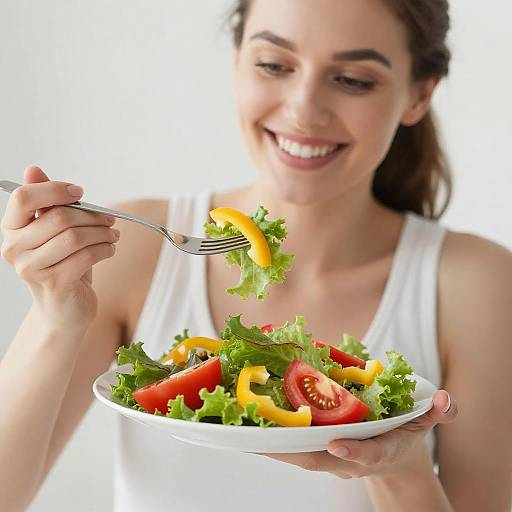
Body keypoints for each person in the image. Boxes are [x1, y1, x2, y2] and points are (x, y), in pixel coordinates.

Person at [1, 0, 511, 510]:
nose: (303, 110)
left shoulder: (477, 285)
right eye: (274, 65)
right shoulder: (130, 247)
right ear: (238, 61)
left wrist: (400, 471)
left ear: (419, 95)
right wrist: (53, 318)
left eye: (353, 79)